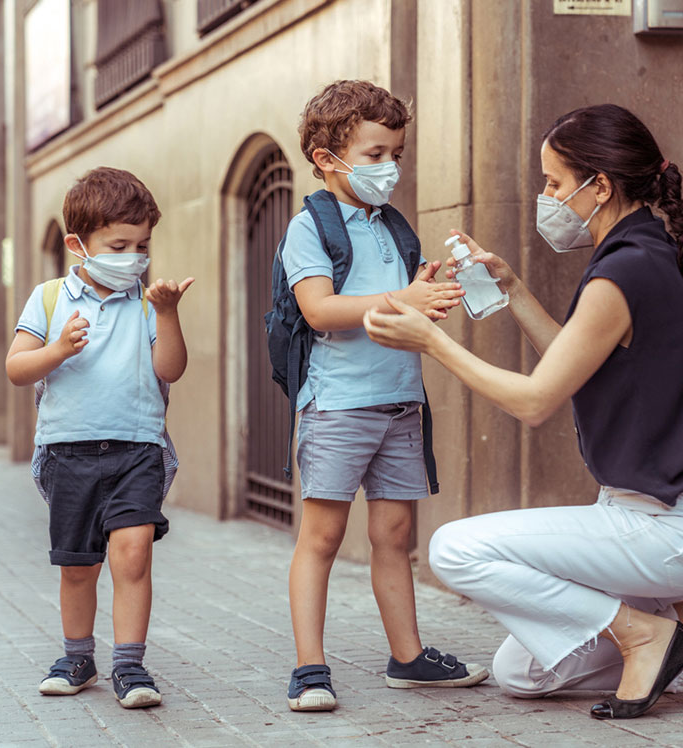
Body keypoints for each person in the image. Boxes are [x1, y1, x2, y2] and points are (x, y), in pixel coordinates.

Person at [363, 104, 683, 720]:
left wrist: (431, 343)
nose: (547, 197)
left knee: (453, 550)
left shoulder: (622, 272)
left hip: (670, 525)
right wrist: (515, 289)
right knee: (522, 672)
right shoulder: (643, 252)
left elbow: (536, 399)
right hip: (660, 520)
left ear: (599, 185)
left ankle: (645, 631)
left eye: (553, 183)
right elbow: (576, 365)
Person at [281, 80, 488, 712]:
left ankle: (408, 657)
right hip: (339, 403)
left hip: (401, 402)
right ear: (327, 158)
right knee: (321, 537)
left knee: (394, 536)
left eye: (395, 152)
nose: (388, 167)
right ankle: (310, 669)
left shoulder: (394, 226)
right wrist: (405, 298)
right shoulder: (308, 227)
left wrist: (425, 288)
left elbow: (397, 311)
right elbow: (319, 309)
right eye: (374, 154)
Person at [6, 167, 194, 709]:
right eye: (119, 245)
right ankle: (77, 656)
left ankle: (130, 665)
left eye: (142, 245)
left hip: (138, 448)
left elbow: (172, 368)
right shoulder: (48, 299)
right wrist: (58, 350)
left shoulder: (146, 302)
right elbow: (18, 369)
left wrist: (168, 313)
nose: (134, 256)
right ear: (77, 244)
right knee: (78, 564)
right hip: (69, 450)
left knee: (132, 554)